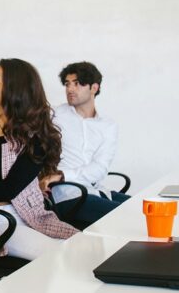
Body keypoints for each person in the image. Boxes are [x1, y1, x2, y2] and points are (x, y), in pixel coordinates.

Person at [0, 59, 79, 261]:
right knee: (60, 258)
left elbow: (9, 188)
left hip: (34, 216)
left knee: (83, 250)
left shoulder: (36, 135)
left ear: (15, 91)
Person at [50, 61, 129, 225]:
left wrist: (63, 174)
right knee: (128, 220)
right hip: (67, 195)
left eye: (77, 84)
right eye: (67, 84)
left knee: (144, 208)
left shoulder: (108, 126)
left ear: (94, 88)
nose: (70, 89)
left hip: (97, 191)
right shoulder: (53, 115)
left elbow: (100, 168)